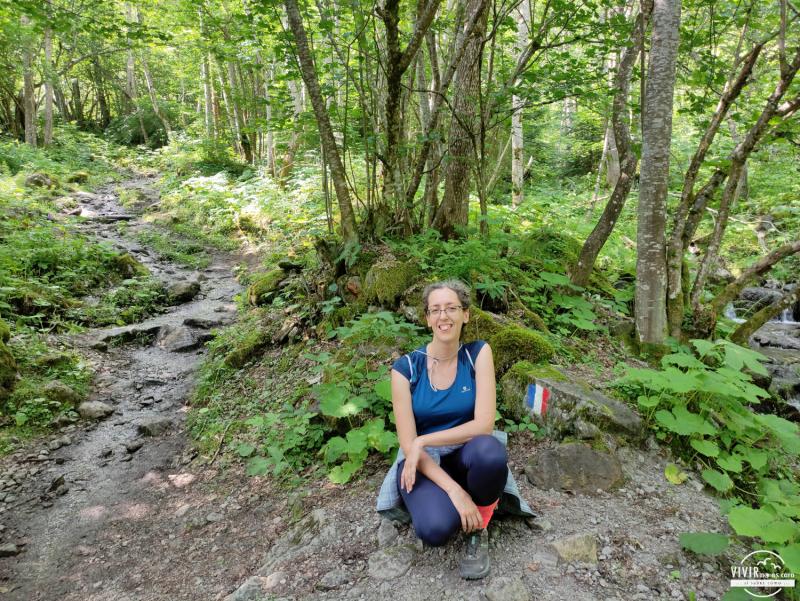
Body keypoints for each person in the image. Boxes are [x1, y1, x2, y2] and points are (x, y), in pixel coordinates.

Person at [375, 280, 534, 580]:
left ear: (466, 315)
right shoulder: (405, 369)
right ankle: (452, 501)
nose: (443, 316)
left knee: (490, 451)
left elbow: (483, 424)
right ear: (426, 318)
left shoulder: (477, 354)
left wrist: (424, 439)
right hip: (422, 465)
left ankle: (480, 526)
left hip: (467, 455)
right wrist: (455, 490)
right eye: (435, 310)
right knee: (436, 530)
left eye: (451, 308)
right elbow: (409, 448)